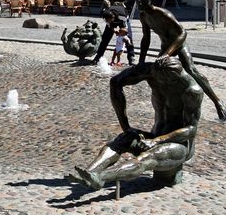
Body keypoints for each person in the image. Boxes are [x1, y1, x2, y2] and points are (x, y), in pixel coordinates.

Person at [70, 56, 202, 190]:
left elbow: (191, 129)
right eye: (154, 77)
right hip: (153, 137)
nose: (156, 82)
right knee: (123, 139)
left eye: (161, 80)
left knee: (147, 157)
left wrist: (156, 141)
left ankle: (101, 177)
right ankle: (88, 173)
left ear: (173, 79)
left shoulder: (191, 91)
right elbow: (116, 82)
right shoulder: (152, 71)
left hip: (179, 145)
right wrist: (126, 126)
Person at [135, 0, 226, 119]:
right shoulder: (143, 16)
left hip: (179, 44)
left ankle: (217, 101)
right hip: (165, 47)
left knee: (191, 70)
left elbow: (182, 34)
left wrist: (167, 54)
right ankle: (166, 104)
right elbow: (145, 39)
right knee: (156, 71)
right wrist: (141, 61)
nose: (139, 1)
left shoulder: (163, 14)